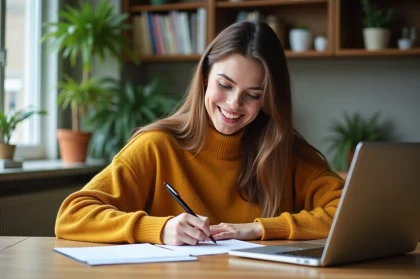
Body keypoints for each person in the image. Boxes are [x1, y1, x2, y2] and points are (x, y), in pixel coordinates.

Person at [55, 21, 344, 246]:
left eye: (253, 95)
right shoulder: (156, 146)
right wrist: (161, 228)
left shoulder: (284, 151)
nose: (234, 104)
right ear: (205, 77)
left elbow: (349, 213)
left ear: (268, 99)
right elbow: (72, 216)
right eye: (225, 85)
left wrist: (259, 229)